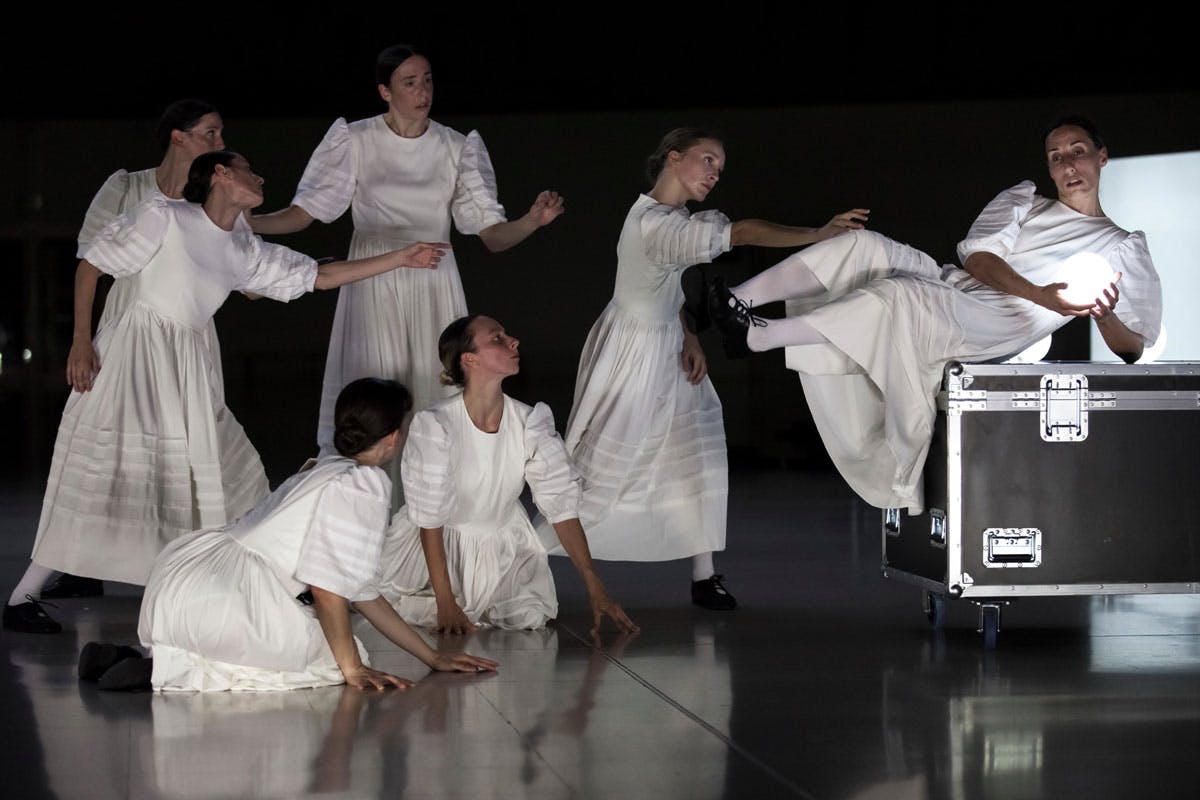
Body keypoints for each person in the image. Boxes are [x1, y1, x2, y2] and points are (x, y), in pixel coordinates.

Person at [2, 150, 447, 634]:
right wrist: (82, 341)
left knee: (233, 471)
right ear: (219, 174)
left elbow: (316, 276)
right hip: (136, 356)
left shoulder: (240, 245)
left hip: (186, 366)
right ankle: (23, 595)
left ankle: (273, 578)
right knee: (104, 473)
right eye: (248, 169)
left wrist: (401, 258)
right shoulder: (163, 216)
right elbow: (92, 265)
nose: (259, 177)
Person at [708, 115, 1162, 513]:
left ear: (1102, 157)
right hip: (954, 287)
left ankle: (760, 335)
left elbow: (1133, 347)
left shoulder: (1121, 245)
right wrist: (1041, 293)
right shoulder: (1023, 201)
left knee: (898, 296)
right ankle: (734, 301)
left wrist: (1103, 316)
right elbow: (977, 260)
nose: (1067, 165)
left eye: (1078, 152)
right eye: (1055, 156)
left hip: (1000, 325)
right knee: (861, 245)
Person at [543, 127, 867, 610]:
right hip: (633, 350)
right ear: (674, 159)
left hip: (667, 345)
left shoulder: (672, 218)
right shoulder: (656, 224)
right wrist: (818, 234)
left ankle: (704, 573)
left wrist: (690, 336)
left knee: (696, 450)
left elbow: (669, 290)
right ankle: (526, 553)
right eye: (707, 161)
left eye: (720, 168)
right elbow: (744, 231)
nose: (714, 174)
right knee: (601, 464)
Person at [251, 44, 564, 502]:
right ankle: (361, 515)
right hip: (374, 280)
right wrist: (245, 223)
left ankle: (425, 520)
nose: (423, 91)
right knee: (373, 390)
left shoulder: (457, 146)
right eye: (410, 82)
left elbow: (492, 236)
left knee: (431, 392)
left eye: (428, 80)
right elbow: (306, 213)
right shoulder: (354, 139)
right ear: (385, 91)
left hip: (433, 280)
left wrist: (531, 221)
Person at [132, 378, 497, 691]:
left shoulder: (326, 468)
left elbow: (359, 589)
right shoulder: (362, 484)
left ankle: (143, 663)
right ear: (394, 437)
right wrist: (352, 667)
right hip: (225, 598)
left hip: (187, 582)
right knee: (325, 660)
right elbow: (327, 588)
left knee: (334, 646)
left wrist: (431, 657)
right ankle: (148, 671)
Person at [43, 99, 228, 601]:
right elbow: (90, 261)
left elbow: (241, 261)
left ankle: (218, 565)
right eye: (209, 133)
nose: (219, 142)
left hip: (185, 337)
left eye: (220, 133)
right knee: (110, 445)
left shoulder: (211, 193)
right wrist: (81, 341)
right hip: (129, 328)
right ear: (178, 137)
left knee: (198, 446)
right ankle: (79, 564)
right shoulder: (127, 186)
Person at [378, 315, 638, 638]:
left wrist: (595, 586)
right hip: (437, 549)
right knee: (409, 606)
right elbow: (430, 519)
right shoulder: (436, 424)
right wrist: (445, 600)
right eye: (497, 338)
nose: (513, 341)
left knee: (528, 614)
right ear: (469, 359)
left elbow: (561, 508)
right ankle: (442, 594)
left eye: (507, 335)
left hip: (502, 549)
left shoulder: (530, 422)